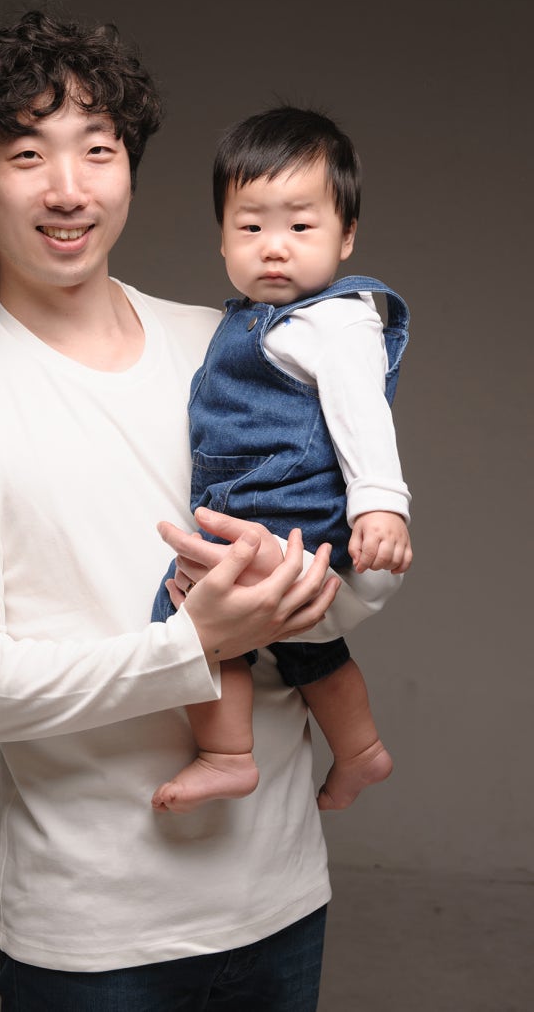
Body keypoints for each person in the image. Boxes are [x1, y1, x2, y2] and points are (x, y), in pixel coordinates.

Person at [0, 9, 394, 1011]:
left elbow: (348, 569)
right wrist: (191, 642)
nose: (68, 188)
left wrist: (325, 586)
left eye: (98, 149)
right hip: (93, 933)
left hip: (282, 895)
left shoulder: (234, 346)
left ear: (128, 170)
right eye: (26, 154)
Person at [151, 106, 412, 817]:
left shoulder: (336, 319)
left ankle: (226, 755)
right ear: (221, 238)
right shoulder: (248, 321)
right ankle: (360, 750)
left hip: (289, 515)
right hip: (272, 519)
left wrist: (380, 504)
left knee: (186, 607)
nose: (273, 248)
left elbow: (362, 413)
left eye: (300, 227)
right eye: (249, 228)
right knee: (303, 647)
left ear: (346, 235)